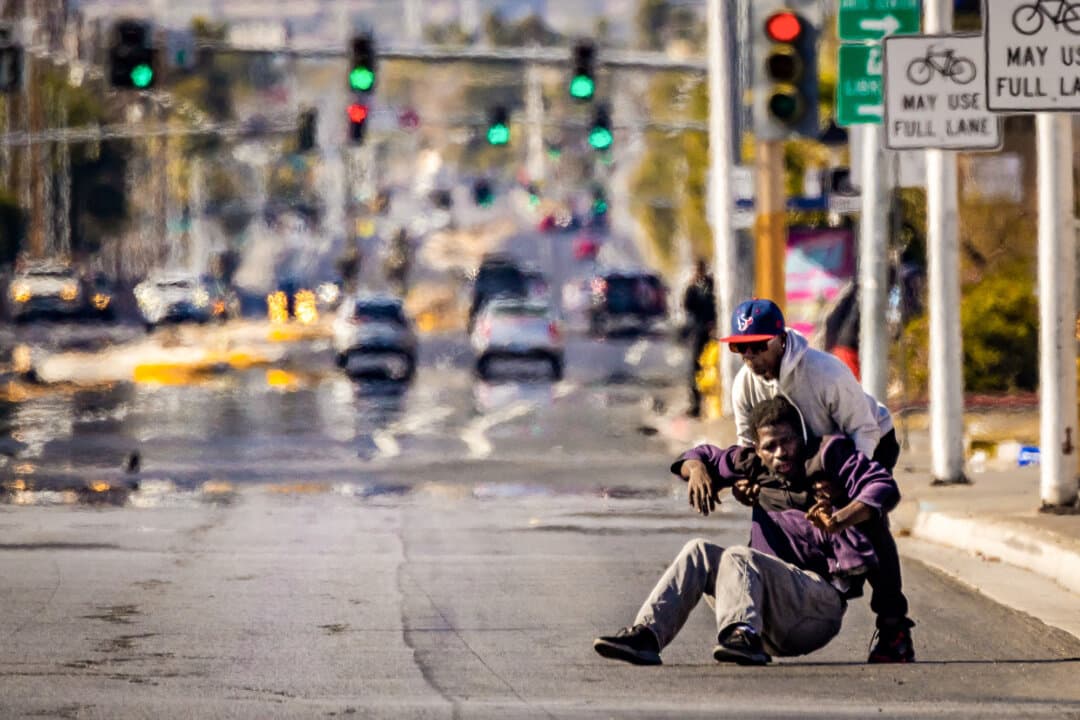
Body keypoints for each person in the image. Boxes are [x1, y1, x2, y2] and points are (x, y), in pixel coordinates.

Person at [592, 396, 901, 666]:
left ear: (801, 438)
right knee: (698, 550)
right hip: (768, 612)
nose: (781, 453)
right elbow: (698, 456)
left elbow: (881, 485)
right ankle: (647, 635)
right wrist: (698, 471)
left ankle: (742, 634)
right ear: (757, 449)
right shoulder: (751, 465)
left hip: (817, 607)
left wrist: (841, 518)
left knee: (740, 556)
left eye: (788, 441)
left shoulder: (827, 455)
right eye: (771, 446)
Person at [716, 297, 913, 662]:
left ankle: (894, 629)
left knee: (866, 520)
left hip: (865, 443)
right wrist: (747, 484)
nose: (752, 358)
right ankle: (752, 625)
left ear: (780, 339)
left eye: (759, 347)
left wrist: (846, 489)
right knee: (770, 514)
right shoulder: (746, 384)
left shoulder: (824, 372)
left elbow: (864, 430)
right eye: (742, 349)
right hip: (801, 457)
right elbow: (748, 446)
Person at [682, 259, 717, 418]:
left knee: (712, 365)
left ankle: (711, 402)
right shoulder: (693, 288)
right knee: (695, 368)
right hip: (698, 330)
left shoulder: (711, 285)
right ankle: (696, 405)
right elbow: (687, 305)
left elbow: (716, 304)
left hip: (711, 330)